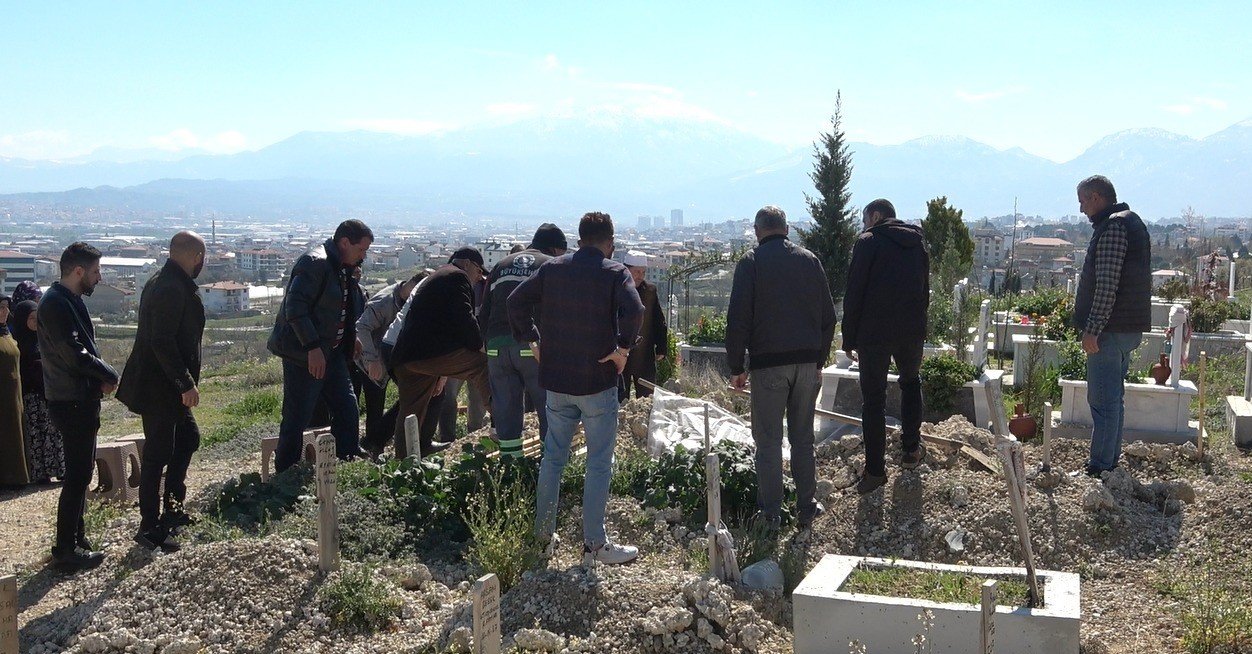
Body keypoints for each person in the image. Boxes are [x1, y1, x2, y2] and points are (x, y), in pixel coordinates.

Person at [508, 211, 644, 565]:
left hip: (557, 383)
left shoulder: (553, 269)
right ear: (609, 243)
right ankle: (594, 545)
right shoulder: (614, 272)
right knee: (598, 462)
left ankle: (542, 540)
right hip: (597, 382)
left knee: (553, 458)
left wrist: (533, 340)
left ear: (579, 238)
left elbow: (515, 301)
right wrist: (622, 350)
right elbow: (635, 308)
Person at [726, 205, 836, 529]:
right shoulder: (809, 261)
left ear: (758, 231)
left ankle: (771, 514)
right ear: (787, 229)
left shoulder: (751, 263)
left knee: (769, 441)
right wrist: (819, 360)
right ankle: (807, 507)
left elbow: (738, 319)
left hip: (768, 366)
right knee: (803, 438)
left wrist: (736, 366)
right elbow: (828, 318)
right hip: (806, 365)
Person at [116, 231, 207, 552]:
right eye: (202, 258)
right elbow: (161, 341)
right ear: (195, 257)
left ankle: (172, 507)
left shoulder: (168, 281)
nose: (202, 264)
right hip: (160, 387)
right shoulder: (169, 287)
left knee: (187, 439)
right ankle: (150, 526)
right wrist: (185, 383)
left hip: (166, 386)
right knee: (157, 454)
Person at [267, 219, 372, 473]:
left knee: (347, 407)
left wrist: (351, 337)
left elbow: (342, 308)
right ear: (345, 242)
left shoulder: (343, 267)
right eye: (361, 250)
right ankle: (286, 472)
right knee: (297, 416)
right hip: (304, 355)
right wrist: (312, 347)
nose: (363, 256)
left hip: (332, 354)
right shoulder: (315, 264)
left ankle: (345, 460)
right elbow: (295, 308)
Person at [39, 242, 119, 570]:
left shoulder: (67, 300)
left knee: (82, 473)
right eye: (96, 272)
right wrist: (108, 373)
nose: (99, 278)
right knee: (76, 476)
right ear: (78, 271)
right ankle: (66, 550)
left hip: (79, 398)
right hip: (70, 401)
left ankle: (77, 537)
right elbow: (74, 353)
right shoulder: (55, 304)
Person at [842, 199, 931, 495]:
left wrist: (849, 336)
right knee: (910, 383)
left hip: (874, 333)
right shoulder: (917, 243)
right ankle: (910, 451)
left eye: (865, 219)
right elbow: (924, 290)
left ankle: (876, 472)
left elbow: (855, 291)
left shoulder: (868, 243)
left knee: (874, 401)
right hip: (910, 331)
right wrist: (920, 327)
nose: (863, 225)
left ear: (876, 216)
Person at [1072, 175, 1151, 476]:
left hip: (1110, 330)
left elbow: (1107, 285)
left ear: (1095, 197)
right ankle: (1108, 462)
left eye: (1082, 201)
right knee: (1113, 400)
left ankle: (1100, 466)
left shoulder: (1113, 228)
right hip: (1125, 327)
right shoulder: (1129, 222)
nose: (1081, 210)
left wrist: (1093, 328)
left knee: (1102, 401)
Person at [389, 247, 494, 458]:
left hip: (407, 357)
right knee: (483, 365)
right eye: (478, 271)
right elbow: (464, 318)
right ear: (466, 264)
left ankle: (402, 462)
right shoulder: (457, 277)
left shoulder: (438, 276)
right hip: (430, 355)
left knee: (410, 412)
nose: (479, 277)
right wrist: (480, 345)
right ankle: (503, 421)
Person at [479, 224, 568, 456]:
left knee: (506, 411)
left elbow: (484, 311)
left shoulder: (501, 265)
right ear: (557, 249)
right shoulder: (551, 265)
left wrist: (487, 345)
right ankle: (551, 467)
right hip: (533, 346)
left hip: (497, 347)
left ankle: (511, 467)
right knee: (549, 408)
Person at [356, 270, 444, 457]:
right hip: (371, 358)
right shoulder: (386, 301)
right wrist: (372, 360)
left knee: (420, 394)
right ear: (414, 285)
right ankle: (372, 447)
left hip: (397, 358)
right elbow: (361, 327)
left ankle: (418, 443)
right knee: (375, 406)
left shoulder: (418, 302)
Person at [12, 299, 65, 484]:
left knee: (54, 433)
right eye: (31, 318)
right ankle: (40, 474)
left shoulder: (45, 339)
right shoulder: (17, 343)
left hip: (49, 394)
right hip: (32, 398)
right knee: (36, 436)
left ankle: (59, 468)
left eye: (37, 318)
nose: (35, 322)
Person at [619, 250, 668, 401]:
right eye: (636, 272)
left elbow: (658, 321)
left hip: (644, 353)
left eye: (643, 272)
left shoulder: (650, 291)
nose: (640, 276)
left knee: (647, 397)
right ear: (627, 270)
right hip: (622, 351)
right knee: (621, 396)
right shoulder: (617, 289)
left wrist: (661, 347)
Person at [0, 295, 30, 488]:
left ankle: (16, 477)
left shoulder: (7, 333)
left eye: (6, 307)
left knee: (14, 433)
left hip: (13, 394)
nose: (4, 311)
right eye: (1, 307)